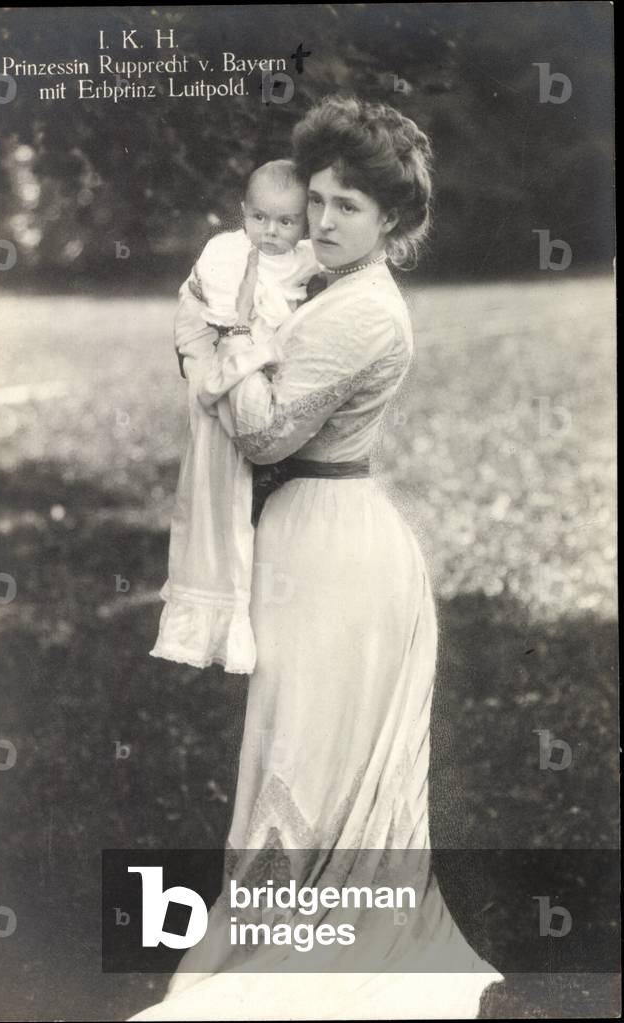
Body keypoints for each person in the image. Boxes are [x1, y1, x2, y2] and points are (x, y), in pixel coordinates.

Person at [130, 95, 503, 1020]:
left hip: (337, 553)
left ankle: (290, 974)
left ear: (394, 223)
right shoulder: (320, 283)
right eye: (321, 201)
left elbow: (262, 434)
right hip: (312, 533)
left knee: (306, 761)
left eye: (349, 209)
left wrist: (214, 341)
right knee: (294, 754)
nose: (324, 222)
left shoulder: (362, 312)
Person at [150, 160, 318, 674]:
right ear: (243, 214)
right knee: (216, 476)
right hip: (217, 348)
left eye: (286, 222)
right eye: (260, 218)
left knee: (257, 472)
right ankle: (214, 603)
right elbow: (218, 323)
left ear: (304, 224)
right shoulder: (227, 253)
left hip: (258, 364)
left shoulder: (304, 260)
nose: (271, 232)